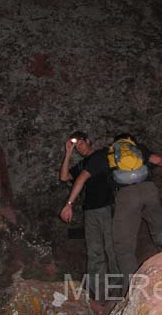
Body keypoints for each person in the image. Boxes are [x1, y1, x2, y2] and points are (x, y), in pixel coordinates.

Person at [62, 133, 162, 296]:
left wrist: (69, 204)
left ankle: (133, 293)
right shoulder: (138, 149)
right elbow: (160, 160)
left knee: (123, 248)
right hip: (149, 190)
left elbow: (81, 178)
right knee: (161, 234)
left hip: (126, 197)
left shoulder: (106, 155)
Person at [59, 131, 120, 308]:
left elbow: (83, 178)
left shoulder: (100, 155)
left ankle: (118, 288)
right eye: (76, 145)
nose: (79, 147)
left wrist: (69, 203)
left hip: (107, 207)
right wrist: (68, 153)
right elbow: (64, 177)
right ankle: (97, 293)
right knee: (94, 252)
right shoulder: (81, 164)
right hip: (90, 211)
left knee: (111, 247)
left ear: (89, 141)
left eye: (80, 144)